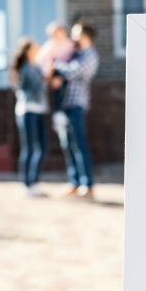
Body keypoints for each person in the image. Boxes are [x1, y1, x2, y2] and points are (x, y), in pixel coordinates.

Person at [53, 23, 99, 199]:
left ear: (85, 35)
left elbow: (72, 72)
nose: (72, 37)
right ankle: (74, 182)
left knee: (79, 143)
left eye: (75, 34)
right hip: (66, 104)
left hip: (77, 104)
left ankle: (87, 184)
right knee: (68, 144)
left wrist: (55, 63)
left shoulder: (90, 55)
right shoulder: (77, 54)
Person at [11, 38, 49, 197]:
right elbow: (39, 86)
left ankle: (34, 182)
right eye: (35, 45)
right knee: (30, 148)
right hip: (27, 111)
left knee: (43, 147)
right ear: (28, 50)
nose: (38, 47)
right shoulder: (26, 67)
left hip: (39, 110)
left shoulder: (36, 66)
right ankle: (27, 185)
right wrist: (50, 74)